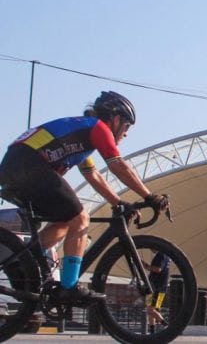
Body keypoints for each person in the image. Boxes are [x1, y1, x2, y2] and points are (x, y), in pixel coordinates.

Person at [0, 91, 168, 304]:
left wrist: (118, 202)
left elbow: (93, 175)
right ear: (115, 119)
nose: (126, 134)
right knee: (81, 218)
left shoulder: (81, 135)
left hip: (14, 168)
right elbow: (117, 165)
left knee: (65, 221)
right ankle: (69, 287)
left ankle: (21, 263)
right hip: (28, 165)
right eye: (126, 126)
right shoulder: (98, 128)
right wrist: (150, 196)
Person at [144, 251, 171, 333]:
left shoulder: (161, 254)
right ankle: (152, 332)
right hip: (159, 288)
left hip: (156, 287)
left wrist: (145, 265)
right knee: (153, 311)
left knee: (150, 310)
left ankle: (166, 325)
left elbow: (158, 269)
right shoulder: (167, 255)